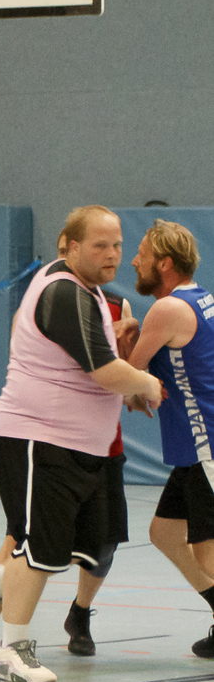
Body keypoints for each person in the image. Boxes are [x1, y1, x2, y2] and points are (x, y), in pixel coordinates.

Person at [0, 205, 162, 682]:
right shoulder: (64, 291)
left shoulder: (83, 291)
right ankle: (12, 649)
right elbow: (102, 371)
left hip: (77, 445)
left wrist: (118, 338)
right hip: (37, 438)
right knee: (37, 547)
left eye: (117, 246)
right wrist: (146, 384)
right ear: (69, 245)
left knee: (62, 548)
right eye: (99, 246)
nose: (112, 256)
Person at [123, 218, 214, 658]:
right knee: (163, 533)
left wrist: (123, 340)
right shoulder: (200, 298)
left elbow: (130, 384)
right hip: (193, 447)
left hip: (206, 445)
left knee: (207, 553)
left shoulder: (167, 310)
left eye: (140, 254)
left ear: (163, 263)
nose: (133, 261)